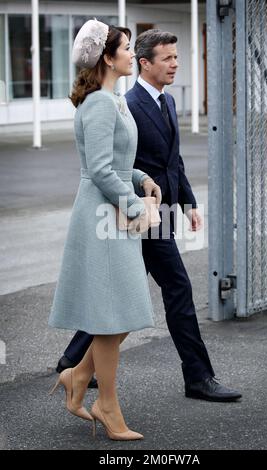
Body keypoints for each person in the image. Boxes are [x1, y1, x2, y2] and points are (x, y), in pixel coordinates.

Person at [55, 29, 242, 402]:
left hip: (158, 211)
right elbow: (111, 166)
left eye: (176, 57)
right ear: (145, 62)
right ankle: (198, 377)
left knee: (118, 297)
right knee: (175, 288)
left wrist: (186, 204)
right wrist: (140, 200)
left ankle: (70, 364)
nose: (175, 64)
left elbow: (174, 161)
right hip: (131, 214)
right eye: (168, 58)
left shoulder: (166, 103)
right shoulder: (124, 102)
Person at [48, 19, 162, 441]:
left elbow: (113, 162)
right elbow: (96, 169)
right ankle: (105, 404)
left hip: (112, 212)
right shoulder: (99, 103)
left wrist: (141, 177)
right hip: (103, 217)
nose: (133, 54)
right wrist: (135, 204)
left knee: (120, 313)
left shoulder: (114, 101)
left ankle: (78, 377)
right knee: (114, 315)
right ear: (107, 57)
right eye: (127, 48)